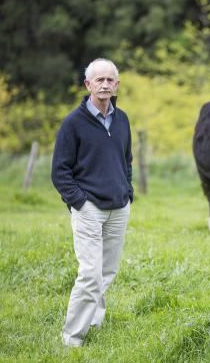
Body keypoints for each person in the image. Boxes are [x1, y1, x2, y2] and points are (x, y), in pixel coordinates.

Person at [52, 58, 133, 347]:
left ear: (116, 84)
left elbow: (126, 161)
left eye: (110, 80)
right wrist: (79, 203)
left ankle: (95, 320)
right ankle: (72, 338)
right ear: (88, 85)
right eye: (99, 80)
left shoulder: (122, 119)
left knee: (107, 272)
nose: (105, 84)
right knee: (90, 274)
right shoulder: (73, 123)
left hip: (119, 208)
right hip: (89, 209)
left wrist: (128, 192)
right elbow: (59, 172)